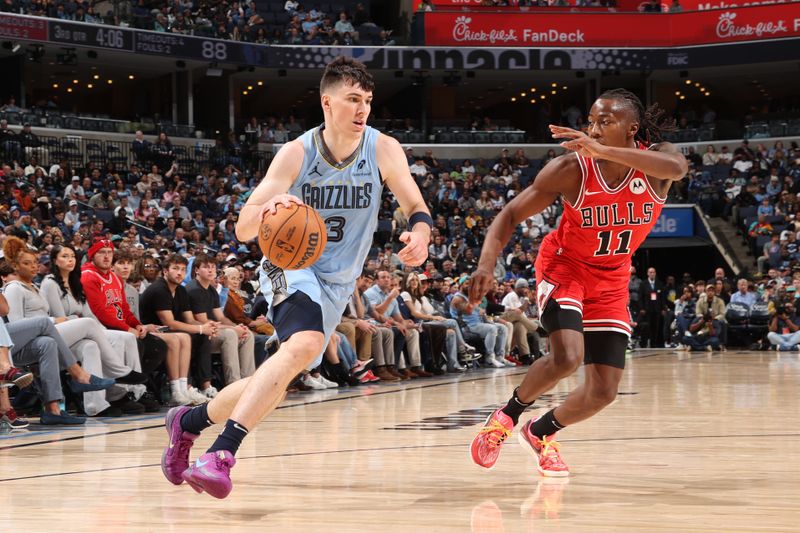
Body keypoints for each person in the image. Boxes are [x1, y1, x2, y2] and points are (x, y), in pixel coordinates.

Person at [161, 56, 430, 499]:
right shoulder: (298, 152)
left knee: (279, 376)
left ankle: (187, 422)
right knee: (303, 346)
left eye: (367, 101)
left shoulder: (383, 148)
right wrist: (263, 214)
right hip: (290, 265)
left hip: (339, 282)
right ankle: (221, 454)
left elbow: (414, 204)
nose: (362, 110)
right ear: (328, 102)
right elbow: (243, 227)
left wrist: (419, 234)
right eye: (352, 100)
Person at [467, 89, 687, 477]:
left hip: (613, 279)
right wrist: (487, 264)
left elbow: (677, 170)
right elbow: (510, 214)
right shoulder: (570, 169)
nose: (594, 129)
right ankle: (507, 416)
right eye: (591, 121)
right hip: (565, 267)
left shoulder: (658, 159)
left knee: (603, 391)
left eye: (606, 122)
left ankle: (540, 432)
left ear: (632, 128)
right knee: (567, 356)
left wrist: (604, 152)